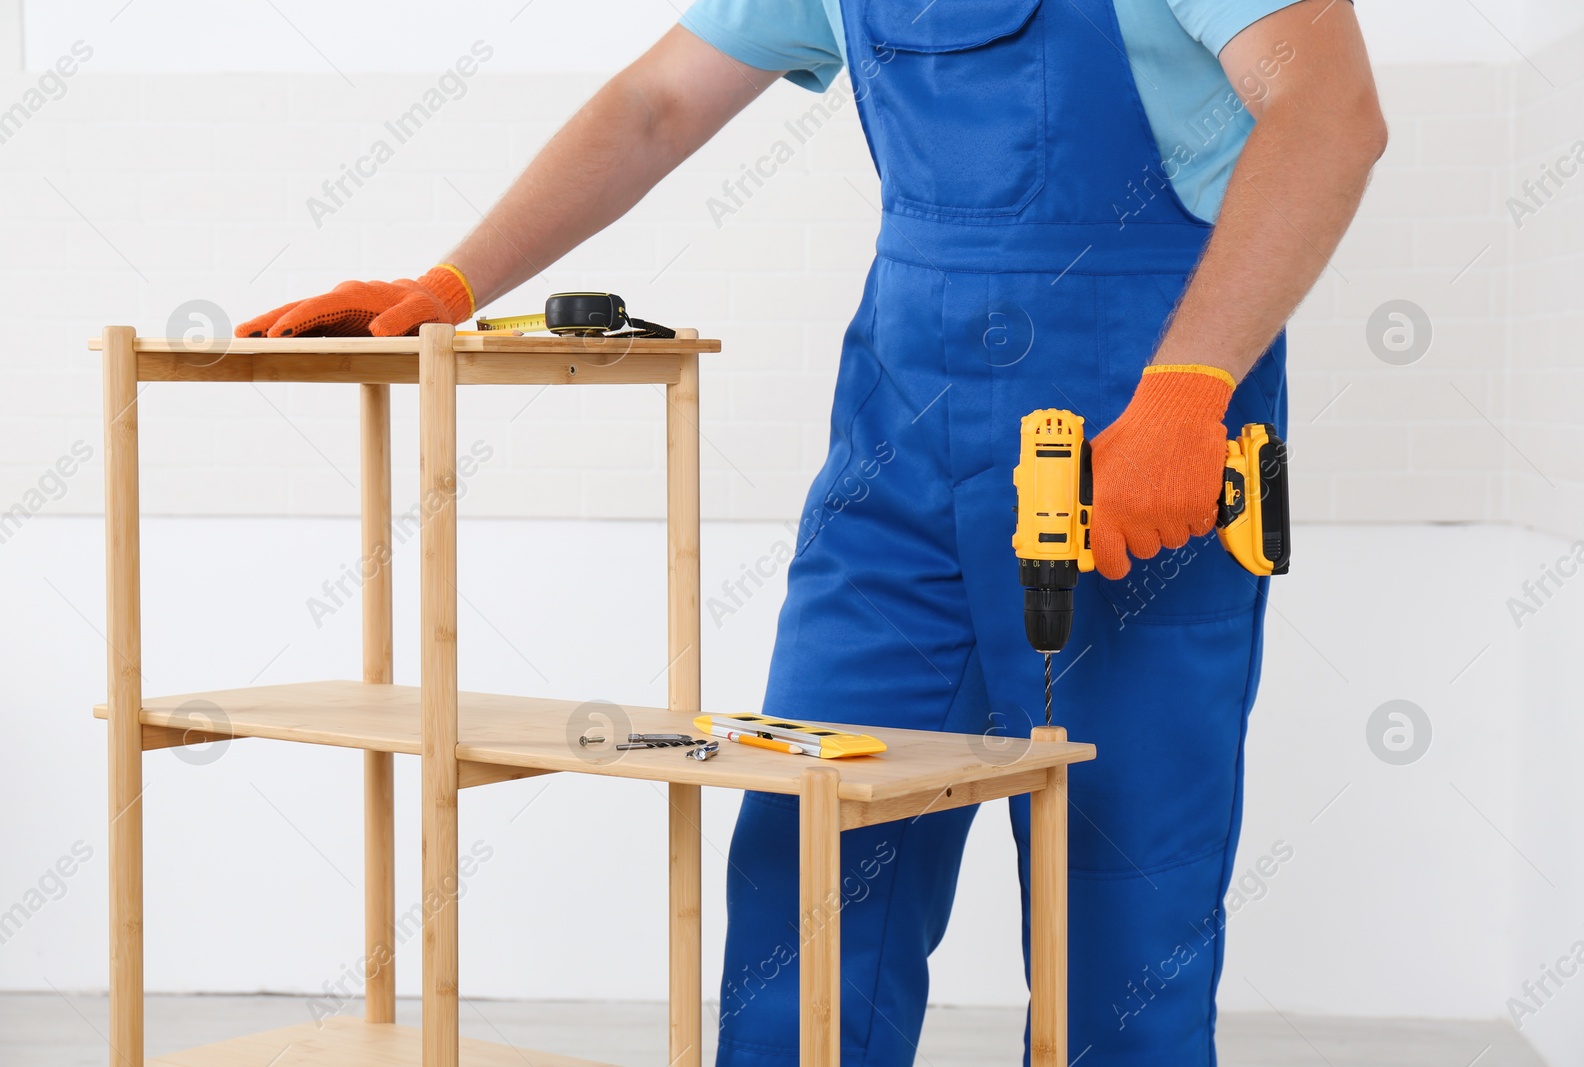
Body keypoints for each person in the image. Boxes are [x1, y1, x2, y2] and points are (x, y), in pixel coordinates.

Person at [238, 1, 1384, 1062]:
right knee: (815, 868)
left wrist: (1188, 391)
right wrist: (454, 280)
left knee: (1124, 903)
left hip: (1135, 433)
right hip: (901, 446)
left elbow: (1328, 111)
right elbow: (658, 102)